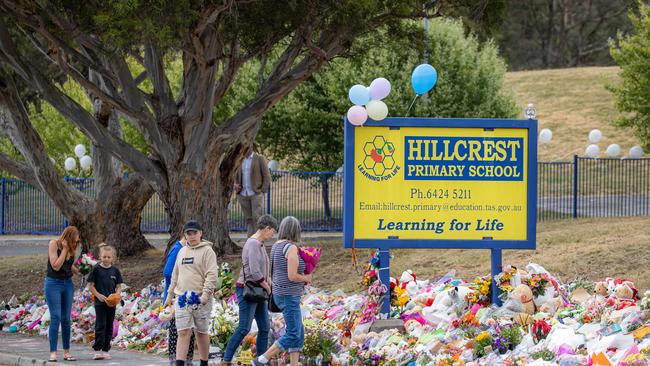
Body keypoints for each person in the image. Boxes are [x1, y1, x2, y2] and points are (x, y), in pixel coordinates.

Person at [253, 216, 312, 366]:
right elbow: (292, 276)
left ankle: (293, 364)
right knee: (293, 333)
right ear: (295, 230)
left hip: (280, 293)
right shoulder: (290, 248)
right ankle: (262, 359)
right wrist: (306, 278)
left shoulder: (276, 246)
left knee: (299, 331)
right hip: (288, 295)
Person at [221, 215, 279, 366]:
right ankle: (226, 360)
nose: (272, 235)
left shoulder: (260, 244)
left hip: (258, 292)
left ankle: (261, 360)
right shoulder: (253, 244)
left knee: (265, 328)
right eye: (272, 231)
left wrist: (271, 284)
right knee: (244, 327)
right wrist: (267, 287)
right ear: (266, 228)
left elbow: (264, 270)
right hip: (249, 291)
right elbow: (254, 271)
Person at [165, 220, 218, 366]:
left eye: (195, 232)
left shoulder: (208, 251)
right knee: (183, 332)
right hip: (182, 298)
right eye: (189, 233)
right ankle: (180, 363)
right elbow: (174, 275)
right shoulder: (181, 251)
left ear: (201, 234)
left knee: (201, 333)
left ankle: (204, 362)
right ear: (185, 235)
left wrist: (205, 296)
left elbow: (212, 276)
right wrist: (169, 296)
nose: (192, 236)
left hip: (200, 298)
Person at [45, 226, 81, 362]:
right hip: (53, 283)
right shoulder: (54, 244)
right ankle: (53, 353)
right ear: (68, 236)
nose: (75, 244)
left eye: (77, 242)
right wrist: (65, 249)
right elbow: (56, 265)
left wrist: (79, 271)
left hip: (67, 284)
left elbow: (67, 264)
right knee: (56, 317)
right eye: (74, 241)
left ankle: (66, 352)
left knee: (66, 318)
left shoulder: (72, 247)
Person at [163, 232, 196, 366]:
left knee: (190, 330)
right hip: (176, 296)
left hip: (188, 296)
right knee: (177, 331)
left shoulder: (190, 250)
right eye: (190, 234)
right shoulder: (177, 249)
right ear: (185, 236)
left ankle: (188, 358)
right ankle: (175, 359)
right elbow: (167, 272)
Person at [88, 244, 123, 360]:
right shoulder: (96, 270)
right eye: (104, 257)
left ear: (112, 258)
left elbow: (118, 286)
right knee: (100, 325)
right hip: (100, 303)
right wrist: (98, 295)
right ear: (100, 257)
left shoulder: (115, 271)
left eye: (108, 257)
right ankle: (97, 349)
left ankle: (106, 349)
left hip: (111, 303)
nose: (106, 259)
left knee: (109, 326)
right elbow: (91, 286)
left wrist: (117, 295)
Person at [234, 149, 271, 237]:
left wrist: (262, 190)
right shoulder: (239, 159)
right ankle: (250, 238)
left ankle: (259, 238)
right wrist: (235, 184)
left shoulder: (259, 158)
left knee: (257, 217)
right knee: (249, 219)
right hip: (242, 193)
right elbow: (234, 174)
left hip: (256, 193)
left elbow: (266, 175)